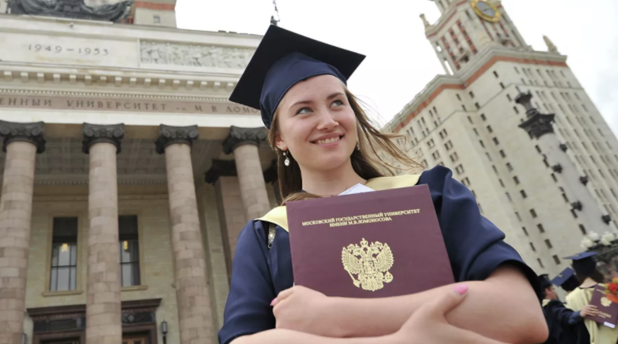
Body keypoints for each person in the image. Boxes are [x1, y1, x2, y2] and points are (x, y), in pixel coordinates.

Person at [218, 25, 548, 344]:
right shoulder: (268, 235)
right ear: (279, 139)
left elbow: (521, 313)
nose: (328, 120)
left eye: (337, 103)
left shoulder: (429, 192)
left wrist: (336, 316)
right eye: (304, 110)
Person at [564, 251, 618, 344]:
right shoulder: (610, 289)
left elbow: (570, 323)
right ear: (594, 268)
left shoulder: (571, 298)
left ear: (576, 272)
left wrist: (580, 314)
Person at [539, 274, 592, 344]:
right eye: (553, 289)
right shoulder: (552, 306)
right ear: (547, 291)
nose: (555, 292)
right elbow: (565, 315)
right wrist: (580, 313)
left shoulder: (540, 313)